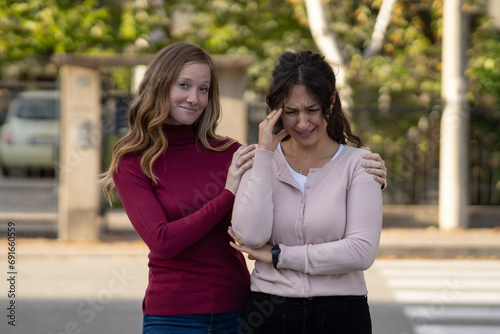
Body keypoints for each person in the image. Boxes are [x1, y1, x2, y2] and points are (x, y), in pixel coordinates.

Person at [100, 42, 386, 334]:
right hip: (173, 313)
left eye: (203, 89)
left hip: (237, 309)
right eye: (183, 85)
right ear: (159, 86)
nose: (193, 98)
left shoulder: (231, 153)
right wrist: (228, 193)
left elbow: (349, 237)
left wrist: (370, 179)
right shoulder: (135, 162)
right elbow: (163, 241)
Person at [229, 50, 384, 334]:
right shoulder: (258, 161)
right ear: (276, 110)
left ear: (331, 103)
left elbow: (360, 252)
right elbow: (250, 236)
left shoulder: (359, 164)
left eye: (312, 110)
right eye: (291, 112)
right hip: (269, 313)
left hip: (342, 313)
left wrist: (278, 256)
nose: (302, 123)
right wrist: (265, 154)